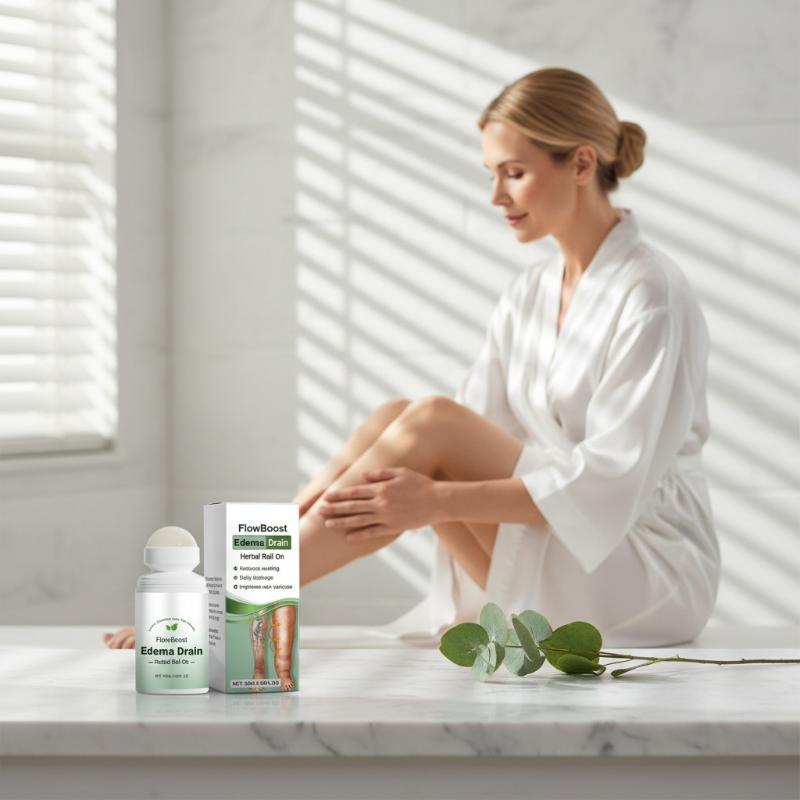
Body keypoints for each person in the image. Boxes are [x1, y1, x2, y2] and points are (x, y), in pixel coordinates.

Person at [106, 66, 719, 651]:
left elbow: (609, 481)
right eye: (491, 174)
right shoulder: (531, 292)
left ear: (582, 163)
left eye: (514, 173)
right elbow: (467, 434)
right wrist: (369, 498)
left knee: (428, 423)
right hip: (556, 555)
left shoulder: (650, 293)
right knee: (398, 418)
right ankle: (238, 577)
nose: (496, 196)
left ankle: (225, 598)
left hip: (644, 568)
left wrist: (435, 503)